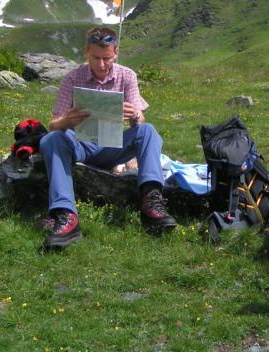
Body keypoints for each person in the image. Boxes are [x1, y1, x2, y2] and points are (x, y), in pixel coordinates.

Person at [39, 26, 176, 249]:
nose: (102, 64)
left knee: (148, 130)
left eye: (107, 58)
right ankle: (66, 216)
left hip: (114, 146)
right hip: (80, 145)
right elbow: (53, 124)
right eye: (96, 58)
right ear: (86, 52)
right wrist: (67, 120)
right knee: (50, 139)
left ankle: (151, 202)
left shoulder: (127, 75)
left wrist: (136, 115)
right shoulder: (72, 78)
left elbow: (140, 122)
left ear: (116, 52)